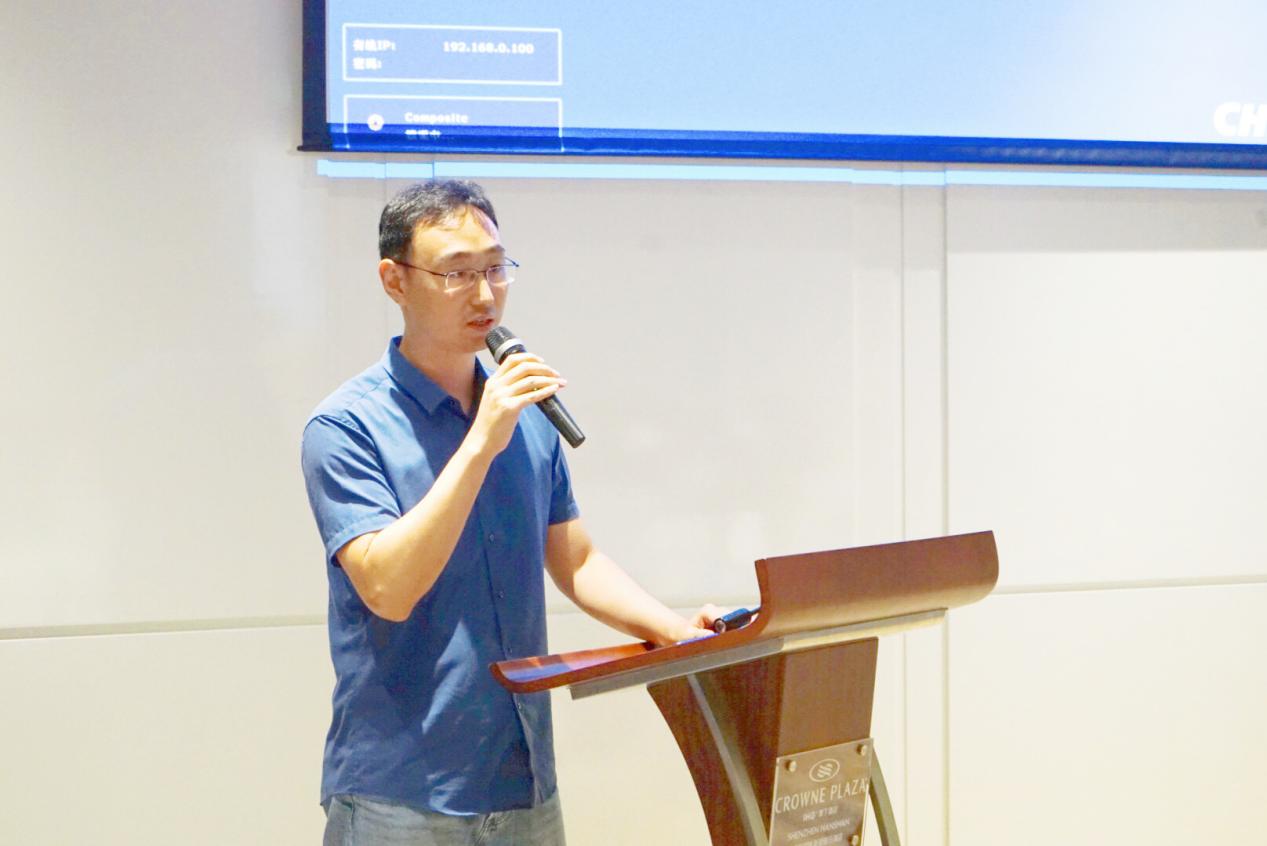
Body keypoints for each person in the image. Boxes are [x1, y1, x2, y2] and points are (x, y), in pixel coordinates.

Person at [301, 180, 720, 845]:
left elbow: (577, 559)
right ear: (394, 280)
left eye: (496, 268)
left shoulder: (525, 417)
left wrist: (677, 633)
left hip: (521, 778)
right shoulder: (347, 426)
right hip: (400, 791)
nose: (485, 294)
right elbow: (388, 588)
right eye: (456, 273)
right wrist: (480, 442)